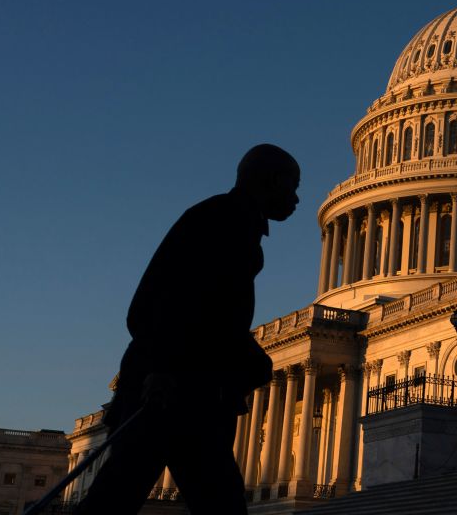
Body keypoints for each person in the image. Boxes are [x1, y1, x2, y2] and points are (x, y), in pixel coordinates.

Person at [74, 144, 300, 514]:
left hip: (193, 391)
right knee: (121, 497)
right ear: (272, 181)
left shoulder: (232, 224)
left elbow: (213, 320)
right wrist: (162, 369)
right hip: (173, 391)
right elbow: (159, 305)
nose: (296, 198)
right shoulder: (220, 223)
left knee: (196, 499)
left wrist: (250, 360)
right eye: (292, 186)